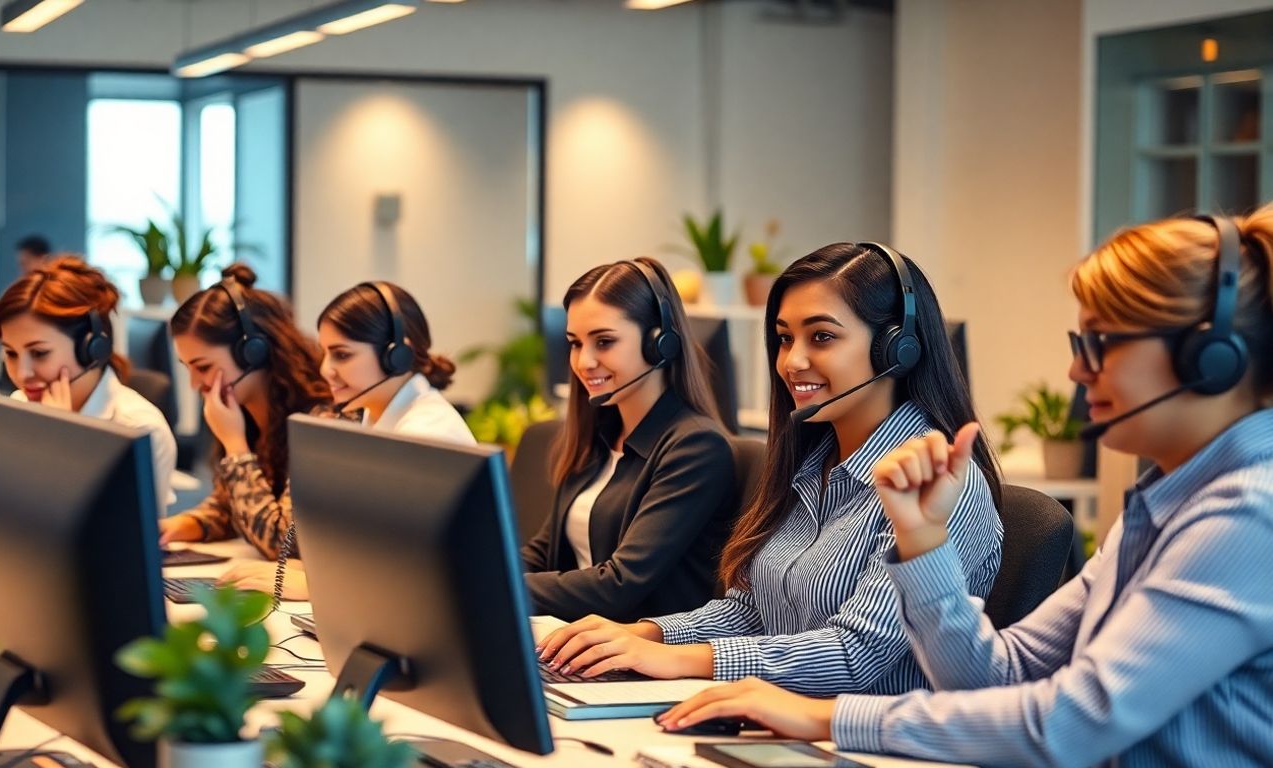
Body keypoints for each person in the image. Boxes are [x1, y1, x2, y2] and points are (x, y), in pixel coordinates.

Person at [658, 209, 1273, 767]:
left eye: (1100, 344)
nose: (1077, 371)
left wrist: (827, 717)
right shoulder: (1164, 508)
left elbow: (1074, 721)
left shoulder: (1247, 515)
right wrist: (923, 543)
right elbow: (997, 675)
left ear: (1209, 357)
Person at [538, 243, 1002, 697]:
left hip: (874, 744)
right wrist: (642, 636)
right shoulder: (809, 469)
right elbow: (751, 611)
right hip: (780, 723)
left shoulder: (941, 488)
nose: (792, 362)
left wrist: (681, 660)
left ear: (895, 349)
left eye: (821, 336)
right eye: (784, 338)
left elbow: (856, 655)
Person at [218, 280, 475, 597]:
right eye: (325, 354)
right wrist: (304, 569)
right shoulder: (374, 418)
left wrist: (319, 585)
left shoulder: (427, 435)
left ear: (398, 355)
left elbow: (418, 572)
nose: (326, 370)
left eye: (342, 355)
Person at [521, 257, 737, 622]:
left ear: (660, 343)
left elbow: (619, 585)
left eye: (604, 342)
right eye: (575, 343)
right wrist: (479, 571)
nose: (584, 361)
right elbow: (545, 552)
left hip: (644, 658)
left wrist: (501, 587)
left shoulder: (695, 447)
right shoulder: (598, 434)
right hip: (580, 639)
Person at [158, 264, 331, 559]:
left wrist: (236, 447)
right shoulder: (248, 415)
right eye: (188, 368)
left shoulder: (320, 421)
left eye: (203, 367)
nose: (194, 384)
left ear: (254, 351)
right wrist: (181, 525)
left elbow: (283, 543)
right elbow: (231, 508)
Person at [0, 257, 177, 515]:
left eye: (40, 353)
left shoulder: (139, 429)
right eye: (10, 353)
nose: (22, 374)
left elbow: (120, 542)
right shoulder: (21, 405)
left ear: (91, 348)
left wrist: (61, 443)